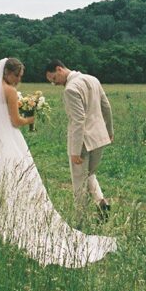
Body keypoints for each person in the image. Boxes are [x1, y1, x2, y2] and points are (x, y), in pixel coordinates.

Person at [0, 57, 115, 267]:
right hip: (12, 138)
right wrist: (31, 119)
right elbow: (16, 121)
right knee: (22, 176)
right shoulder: (10, 91)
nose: (19, 81)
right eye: (18, 76)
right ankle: (86, 215)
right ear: (8, 73)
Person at [44, 60, 113, 220]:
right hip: (99, 138)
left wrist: (75, 151)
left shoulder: (70, 89)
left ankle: (80, 218)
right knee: (90, 174)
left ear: (59, 69)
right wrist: (109, 131)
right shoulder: (92, 79)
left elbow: (78, 120)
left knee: (78, 183)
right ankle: (102, 203)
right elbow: (106, 107)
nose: (54, 84)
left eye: (53, 79)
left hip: (83, 142)